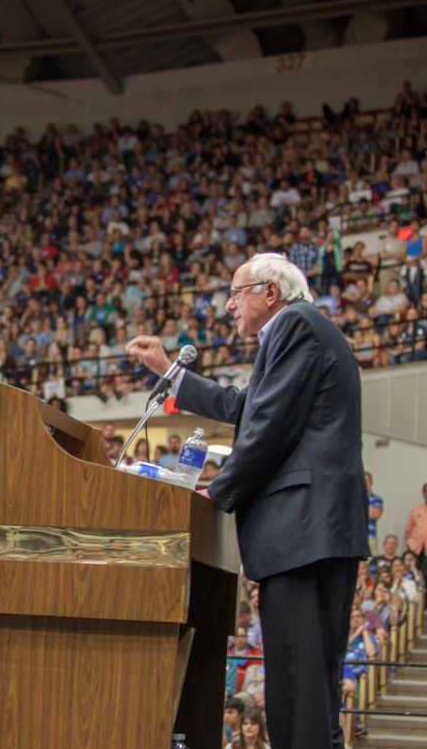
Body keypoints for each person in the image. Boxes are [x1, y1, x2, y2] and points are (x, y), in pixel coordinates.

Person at [127, 253, 368, 749]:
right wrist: (170, 371)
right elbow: (245, 406)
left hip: (304, 532)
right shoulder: (298, 331)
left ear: (270, 293)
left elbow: (267, 428)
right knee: (308, 692)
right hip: (313, 532)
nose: (229, 306)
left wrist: (215, 494)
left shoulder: (295, 325)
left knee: (298, 687)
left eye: (237, 294)